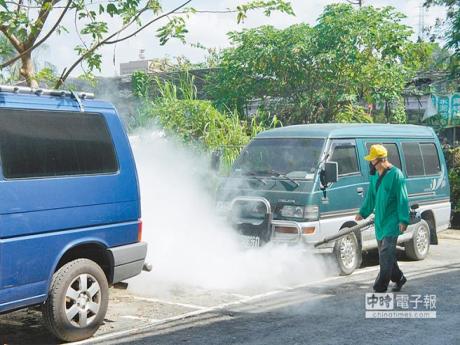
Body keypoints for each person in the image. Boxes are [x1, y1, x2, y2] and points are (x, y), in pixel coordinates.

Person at [355, 144, 410, 292]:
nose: (370, 164)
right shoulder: (374, 176)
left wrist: (403, 220)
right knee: (387, 255)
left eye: (372, 161)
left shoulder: (396, 175)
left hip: (392, 221)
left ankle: (380, 286)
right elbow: (371, 197)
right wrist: (363, 212)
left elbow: (402, 198)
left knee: (385, 254)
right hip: (380, 221)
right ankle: (399, 278)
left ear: (381, 160)